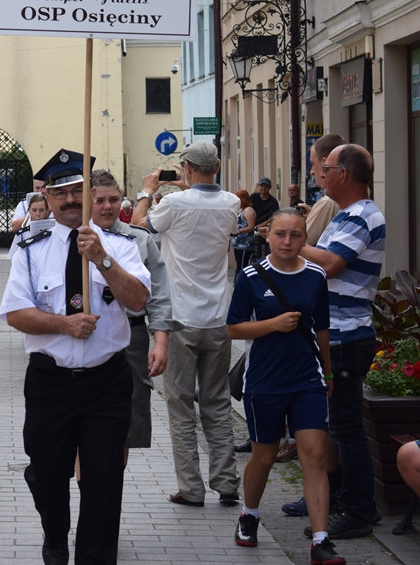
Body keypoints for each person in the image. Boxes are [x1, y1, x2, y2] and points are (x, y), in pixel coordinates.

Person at [0, 149, 150, 565]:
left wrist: (101, 258)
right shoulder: (30, 250)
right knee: (47, 474)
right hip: (50, 383)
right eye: (60, 192)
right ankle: (53, 535)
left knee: (103, 481)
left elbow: (138, 302)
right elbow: (15, 314)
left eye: (77, 192)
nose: (69, 200)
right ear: (46, 198)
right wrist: (63, 325)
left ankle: (94, 557)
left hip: (106, 381)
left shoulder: (121, 245)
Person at [227, 209, 344, 565]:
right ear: (268, 235)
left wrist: (327, 371)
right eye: (281, 234)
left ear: (305, 239)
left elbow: (321, 327)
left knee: (315, 454)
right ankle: (249, 514)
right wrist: (273, 324)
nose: (288, 242)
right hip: (264, 379)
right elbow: (233, 329)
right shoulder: (250, 276)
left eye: (295, 235)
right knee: (264, 455)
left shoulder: (315, 276)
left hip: (307, 377)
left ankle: (320, 542)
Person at [131, 140, 243, 509]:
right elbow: (204, 203)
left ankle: (191, 489)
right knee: (217, 402)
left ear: (186, 167)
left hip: (179, 317)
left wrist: (148, 190)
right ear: (217, 167)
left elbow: (138, 227)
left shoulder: (175, 204)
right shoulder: (231, 203)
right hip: (217, 317)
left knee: (180, 405)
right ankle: (227, 482)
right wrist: (189, 184)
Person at [299, 144, 386, 540]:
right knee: (336, 423)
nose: (322, 173)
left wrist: (290, 245)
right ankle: (336, 499)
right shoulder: (347, 215)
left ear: (345, 174)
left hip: (348, 334)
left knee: (347, 426)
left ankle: (358, 510)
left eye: (327, 167)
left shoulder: (362, 217)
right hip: (336, 331)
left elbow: (331, 264)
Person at [88, 170, 171, 464]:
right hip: (88, 335)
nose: (107, 207)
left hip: (131, 340)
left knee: (125, 422)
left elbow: (159, 297)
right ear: (89, 201)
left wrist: (160, 344)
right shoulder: (74, 240)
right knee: (83, 423)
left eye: (114, 199)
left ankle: (112, 489)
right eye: (100, 200)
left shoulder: (140, 240)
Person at [301, 134, 347, 246]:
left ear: (324, 163)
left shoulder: (329, 202)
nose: (312, 171)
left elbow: (300, 245)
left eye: (313, 164)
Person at [233, 189, 257, 270]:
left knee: (243, 267)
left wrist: (239, 231)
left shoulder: (248, 210)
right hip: (238, 244)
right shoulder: (241, 210)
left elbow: (251, 227)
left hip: (245, 245)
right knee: (239, 266)